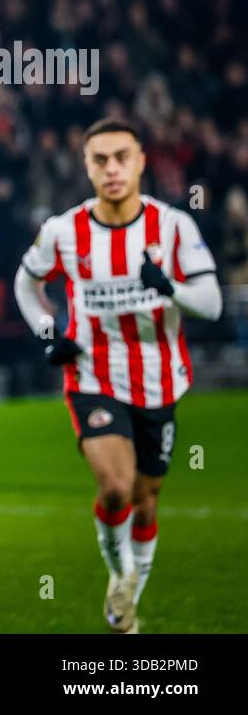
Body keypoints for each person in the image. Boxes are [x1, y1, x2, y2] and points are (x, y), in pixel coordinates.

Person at [14, 118, 222, 633]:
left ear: (141, 161)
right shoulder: (64, 230)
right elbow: (26, 282)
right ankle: (121, 574)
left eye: (121, 157)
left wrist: (168, 285)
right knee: (115, 489)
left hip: (160, 381)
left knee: (147, 497)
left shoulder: (173, 226)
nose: (111, 169)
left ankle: (130, 591)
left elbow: (213, 304)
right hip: (91, 376)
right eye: (100, 159)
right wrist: (48, 331)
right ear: (86, 166)